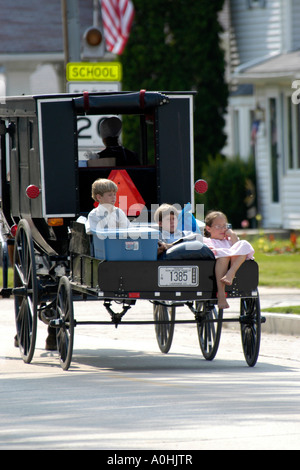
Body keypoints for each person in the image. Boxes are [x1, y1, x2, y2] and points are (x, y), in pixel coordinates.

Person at [203, 210, 255, 309]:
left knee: (243, 244)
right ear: (208, 228)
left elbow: (239, 248)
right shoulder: (207, 241)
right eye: (219, 226)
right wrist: (226, 253)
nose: (223, 229)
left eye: (225, 226)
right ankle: (221, 294)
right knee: (224, 255)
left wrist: (233, 235)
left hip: (233, 271)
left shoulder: (229, 240)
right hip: (218, 266)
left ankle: (230, 273)